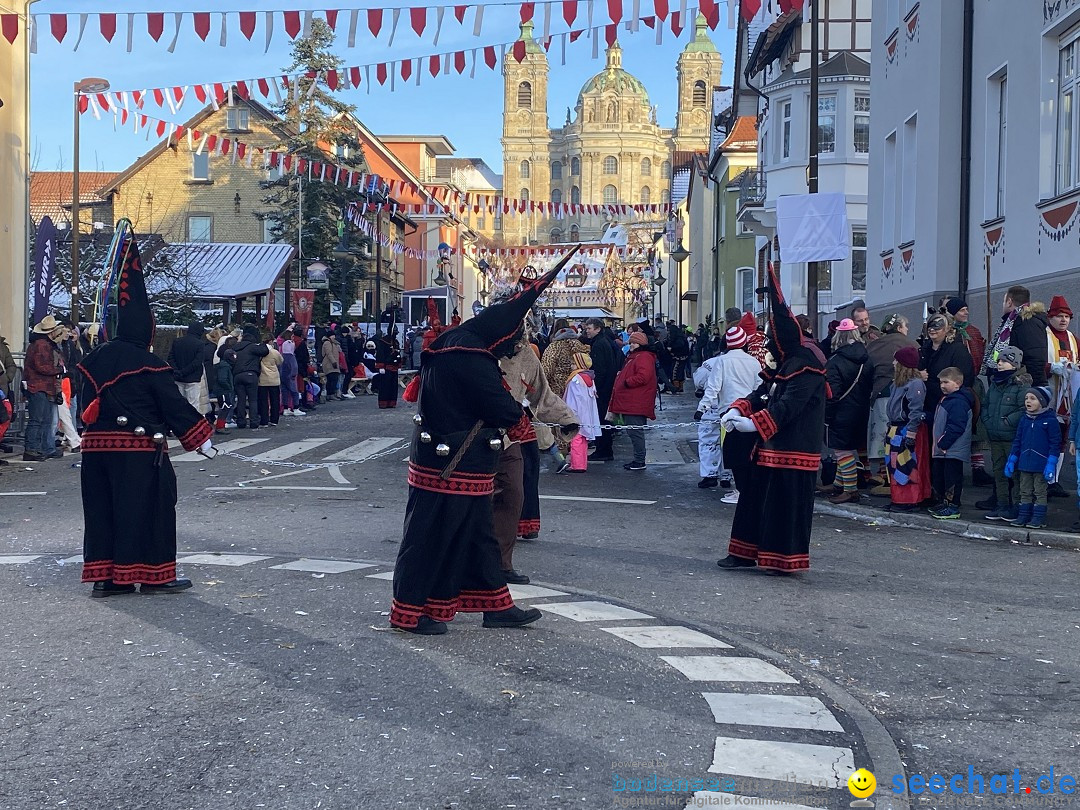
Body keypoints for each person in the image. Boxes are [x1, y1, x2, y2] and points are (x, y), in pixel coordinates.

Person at [391, 254, 578, 635]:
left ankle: (496, 605)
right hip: (452, 462)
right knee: (432, 536)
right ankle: (409, 612)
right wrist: (523, 421)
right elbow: (497, 404)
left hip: (462, 460)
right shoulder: (470, 355)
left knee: (478, 534)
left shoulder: (454, 343)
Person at [77, 232, 215, 597]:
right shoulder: (149, 364)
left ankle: (107, 579)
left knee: (103, 511)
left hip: (95, 451)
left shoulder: (92, 360)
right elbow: (173, 406)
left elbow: (82, 407)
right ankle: (155, 575)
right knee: (150, 510)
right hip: (139, 452)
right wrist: (200, 437)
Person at [717, 265, 827, 573]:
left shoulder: (806, 364)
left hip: (793, 450)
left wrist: (754, 423)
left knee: (784, 507)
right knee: (753, 500)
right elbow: (763, 390)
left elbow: (789, 406)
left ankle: (781, 561)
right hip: (768, 448)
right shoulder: (786, 361)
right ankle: (742, 554)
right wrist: (739, 409)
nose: (766, 348)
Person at [494, 315, 578, 580]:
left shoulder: (526, 355)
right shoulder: (473, 351)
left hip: (510, 437)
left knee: (513, 495)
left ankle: (501, 565)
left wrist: (566, 417)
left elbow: (542, 393)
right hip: (473, 439)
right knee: (472, 504)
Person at [695, 325, 761, 495]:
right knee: (744, 449)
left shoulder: (722, 361)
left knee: (726, 445)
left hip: (728, 411)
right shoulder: (754, 362)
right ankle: (731, 480)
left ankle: (732, 484)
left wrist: (702, 408)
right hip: (748, 410)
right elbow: (759, 388)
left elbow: (713, 387)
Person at [823, 319, 874, 504]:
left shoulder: (835, 361)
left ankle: (850, 489)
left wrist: (827, 415)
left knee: (841, 451)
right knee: (847, 447)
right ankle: (838, 484)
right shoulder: (866, 358)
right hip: (860, 409)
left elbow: (832, 393)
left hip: (841, 411)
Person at [865, 314, 917, 494]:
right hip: (901, 395)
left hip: (879, 394)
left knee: (880, 436)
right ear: (900, 327)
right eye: (906, 326)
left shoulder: (874, 345)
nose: (908, 329)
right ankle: (893, 478)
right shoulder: (909, 344)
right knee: (895, 439)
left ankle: (882, 474)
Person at [980, 346, 1028, 521]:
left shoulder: (1020, 384)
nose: (999, 364)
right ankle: (1002, 505)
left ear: (1014, 363)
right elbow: (985, 404)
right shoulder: (995, 383)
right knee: (998, 472)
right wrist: (987, 420)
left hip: (1011, 438)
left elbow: (1024, 408)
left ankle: (1016, 506)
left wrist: (1006, 421)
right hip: (995, 436)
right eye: (999, 360)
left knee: (1015, 473)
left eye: (1004, 361)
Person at [1005, 386, 1060, 529]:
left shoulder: (1050, 421)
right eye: (1026, 398)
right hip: (1025, 463)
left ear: (1042, 401)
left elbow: (1055, 443)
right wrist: (1012, 459)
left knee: (1040, 491)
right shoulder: (1024, 419)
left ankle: (1039, 517)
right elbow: (1018, 440)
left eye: (1032, 398)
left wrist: (1051, 463)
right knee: (1024, 490)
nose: (1028, 401)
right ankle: (1024, 515)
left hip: (1041, 464)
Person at [885, 346, 931, 512]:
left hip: (906, 430)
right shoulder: (898, 383)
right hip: (896, 429)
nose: (893, 363)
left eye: (896, 360)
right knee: (895, 464)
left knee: (907, 464)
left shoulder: (914, 384)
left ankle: (910, 499)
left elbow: (915, 411)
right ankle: (900, 498)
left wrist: (910, 434)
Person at [608, 331, 658, 471]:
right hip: (633, 400)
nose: (631, 345)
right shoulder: (635, 356)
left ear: (641, 344)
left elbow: (643, 376)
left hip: (636, 400)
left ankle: (639, 460)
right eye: (630, 342)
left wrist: (626, 382)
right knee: (633, 432)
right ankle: (638, 459)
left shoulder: (643, 357)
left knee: (635, 432)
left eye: (634, 342)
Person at [929, 367, 975, 520]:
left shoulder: (958, 402)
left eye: (946, 382)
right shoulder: (947, 400)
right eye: (941, 382)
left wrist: (943, 443)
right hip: (944, 449)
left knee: (952, 478)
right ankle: (944, 503)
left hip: (951, 449)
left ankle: (952, 505)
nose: (942, 385)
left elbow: (956, 426)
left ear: (957, 383)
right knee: (941, 476)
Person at [1044, 295, 1077, 497]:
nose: (1063, 320)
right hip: (1048, 398)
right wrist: (1051, 367)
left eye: (1066, 316)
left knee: (1063, 439)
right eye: (1059, 316)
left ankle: (1054, 480)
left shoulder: (1074, 340)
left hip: (1068, 400)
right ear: (1050, 318)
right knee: (1049, 439)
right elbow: (1033, 363)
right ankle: (1044, 480)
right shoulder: (1043, 337)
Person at [984, 285, 1049, 386]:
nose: (1003, 304)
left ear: (1009, 302)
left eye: (1004, 301)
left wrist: (1033, 388)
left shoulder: (1027, 322)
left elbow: (1035, 359)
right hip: (1007, 384)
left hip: (1018, 386)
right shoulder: (1011, 322)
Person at [23, 315, 65, 462]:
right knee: (38, 419)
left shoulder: (38, 344)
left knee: (42, 419)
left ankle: (38, 448)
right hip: (40, 386)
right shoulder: (42, 345)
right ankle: (32, 449)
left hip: (41, 386)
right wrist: (59, 369)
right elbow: (42, 367)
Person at [581, 317, 622, 463]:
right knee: (603, 420)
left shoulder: (599, 344)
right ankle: (604, 449)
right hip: (606, 386)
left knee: (601, 420)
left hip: (602, 389)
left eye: (589, 328)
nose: (587, 331)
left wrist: (595, 386)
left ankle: (603, 450)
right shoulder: (604, 341)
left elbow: (600, 369)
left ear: (597, 328)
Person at [919, 313, 975, 417]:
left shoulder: (958, 350)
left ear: (947, 328)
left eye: (937, 326)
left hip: (949, 405)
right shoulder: (924, 349)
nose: (932, 329)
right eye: (930, 326)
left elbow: (965, 379)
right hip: (926, 405)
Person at [563, 351, 600, 472]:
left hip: (577, 414)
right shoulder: (590, 378)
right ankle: (582, 463)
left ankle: (577, 465)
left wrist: (568, 413)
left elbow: (572, 399)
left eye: (574, 363)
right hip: (587, 415)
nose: (571, 365)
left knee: (576, 438)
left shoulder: (575, 379)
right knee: (583, 438)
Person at [232, 326, 269, 427]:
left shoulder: (235, 347)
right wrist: (262, 342)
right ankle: (253, 422)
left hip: (237, 375)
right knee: (253, 400)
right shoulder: (252, 347)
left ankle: (241, 422)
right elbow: (265, 351)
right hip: (250, 375)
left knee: (241, 400)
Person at [167, 323, 208, 411]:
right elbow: (197, 362)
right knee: (193, 405)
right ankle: (191, 423)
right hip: (193, 378)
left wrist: (177, 371)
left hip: (178, 377)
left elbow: (170, 358)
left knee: (179, 403)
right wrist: (184, 372)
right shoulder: (200, 344)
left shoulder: (177, 341)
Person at [374, 326, 402, 409]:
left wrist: (399, 364)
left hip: (394, 367)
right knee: (385, 386)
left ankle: (391, 402)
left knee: (393, 386)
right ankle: (383, 403)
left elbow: (398, 354)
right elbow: (380, 354)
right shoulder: (383, 342)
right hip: (386, 367)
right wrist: (381, 366)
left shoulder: (396, 342)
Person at [258, 337, 283, 427]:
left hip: (262, 378)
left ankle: (264, 420)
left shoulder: (259, 352)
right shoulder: (274, 352)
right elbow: (280, 361)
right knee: (275, 400)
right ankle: (274, 420)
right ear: (271, 341)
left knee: (263, 401)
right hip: (273, 378)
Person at [214, 336, 237, 432]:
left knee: (225, 407)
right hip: (223, 390)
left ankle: (221, 425)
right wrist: (229, 387)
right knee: (225, 407)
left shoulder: (224, 365)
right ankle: (220, 426)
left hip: (223, 389)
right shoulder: (224, 366)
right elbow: (222, 379)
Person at [279, 330, 304, 417]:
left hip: (283, 374)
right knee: (294, 391)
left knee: (284, 391)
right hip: (290, 375)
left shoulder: (282, 354)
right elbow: (294, 366)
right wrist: (293, 374)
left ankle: (286, 408)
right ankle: (296, 408)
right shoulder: (291, 354)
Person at [321, 330, 343, 402]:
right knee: (332, 379)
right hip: (330, 364)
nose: (334, 337)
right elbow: (329, 353)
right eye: (333, 335)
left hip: (333, 364)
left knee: (334, 379)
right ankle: (330, 394)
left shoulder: (334, 343)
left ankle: (332, 394)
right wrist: (334, 362)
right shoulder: (327, 343)